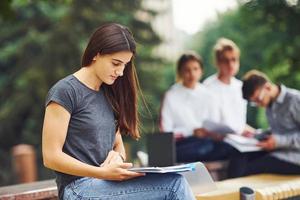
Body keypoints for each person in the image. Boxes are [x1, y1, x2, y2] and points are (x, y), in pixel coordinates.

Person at [42, 23, 195, 200]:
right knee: (174, 185)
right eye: (116, 63)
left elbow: (118, 144)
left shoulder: (108, 92)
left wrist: (117, 157)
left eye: (125, 65)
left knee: (175, 180)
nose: (121, 72)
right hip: (77, 189)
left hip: (105, 185)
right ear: (96, 54)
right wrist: (103, 173)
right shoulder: (66, 91)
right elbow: (51, 156)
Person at [160, 52, 237, 163]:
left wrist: (214, 133)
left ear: (201, 71)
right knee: (204, 146)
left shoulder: (208, 94)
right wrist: (191, 132)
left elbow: (214, 124)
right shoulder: (171, 95)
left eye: (195, 69)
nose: (192, 74)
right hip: (182, 145)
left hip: (207, 141)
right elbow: (165, 134)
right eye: (187, 70)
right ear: (180, 72)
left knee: (230, 147)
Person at [229, 69, 300, 177]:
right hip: (281, 151)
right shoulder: (269, 104)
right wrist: (256, 135)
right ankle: (227, 192)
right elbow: (279, 130)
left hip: (294, 156)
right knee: (239, 157)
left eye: (258, 99)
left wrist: (278, 142)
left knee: (255, 167)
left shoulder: (294, 100)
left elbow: (281, 137)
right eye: (254, 102)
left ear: (267, 87)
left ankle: (238, 192)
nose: (259, 104)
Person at [203, 38, 254, 135]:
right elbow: (208, 125)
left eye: (234, 60)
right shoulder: (208, 87)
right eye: (225, 60)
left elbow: (240, 125)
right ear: (217, 63)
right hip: (218, 141)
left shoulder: (240, 86)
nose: (230, 64)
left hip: (240, 140)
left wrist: (256, 134)